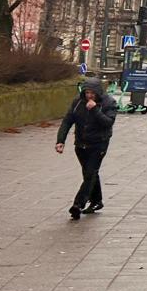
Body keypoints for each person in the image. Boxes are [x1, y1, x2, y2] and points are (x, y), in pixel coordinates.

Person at [55, 79, 118, 219]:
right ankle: (97, 201)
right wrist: (61, 140)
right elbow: (67, 121)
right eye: (87, 92)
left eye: (92, 93)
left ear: (98, 93)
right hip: (81, 144)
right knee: (89, 173)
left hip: (98, 144)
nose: (89, 96)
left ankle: (78, 204)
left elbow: (108, 123)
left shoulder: (109, 103)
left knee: (90, 173)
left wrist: (95, 109)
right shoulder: (78, 102)